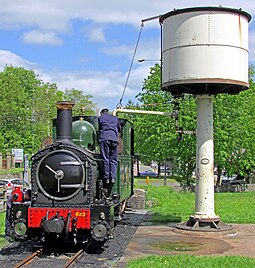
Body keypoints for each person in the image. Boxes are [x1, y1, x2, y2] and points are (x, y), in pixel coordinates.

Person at [98, 108, 120, 184]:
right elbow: (119, 129)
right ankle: (113, 177)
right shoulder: (115, 118)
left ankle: (106, 178)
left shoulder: (101, 118)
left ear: (101, 113)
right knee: (114, 159)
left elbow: (98, 128)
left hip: (105, 139)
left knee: (105, 158)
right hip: (114, 139)